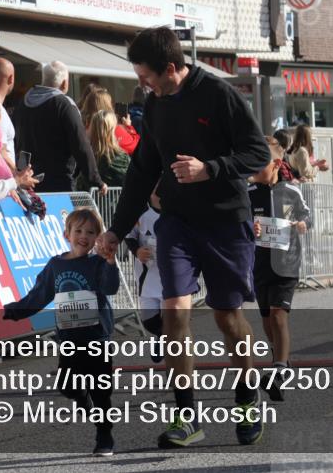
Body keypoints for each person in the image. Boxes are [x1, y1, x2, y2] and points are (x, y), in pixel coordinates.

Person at [98, 27, 271, 448]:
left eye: (146, 76)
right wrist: (117, 229)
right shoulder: (155, 104)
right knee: (173, 313)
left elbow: (259, 154)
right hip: (176, 221)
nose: (143, 85)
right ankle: (187, 416)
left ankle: (247, 399)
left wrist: (209, 169)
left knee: (227, 317)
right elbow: (142, 170)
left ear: (172, 68)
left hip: (225, 221)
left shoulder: (220, 95)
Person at [4, 207, 119, 457]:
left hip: (97, 337)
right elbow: (40, 294)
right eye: (78, 231)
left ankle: (104, 435)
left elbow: (110, 288)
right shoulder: (55, 265)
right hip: (69, 338)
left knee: (101, 390)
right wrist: (15, 310)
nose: (84, 236)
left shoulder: (98, 263)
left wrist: (111, 262)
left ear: (97, 238)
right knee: (67, 385)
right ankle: (83, 399)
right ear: (67, 234)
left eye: (91, 232)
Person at [248, 135, 312, 402]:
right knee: (267, 320)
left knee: (278, 316)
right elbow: (241, 222)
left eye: (259, 164)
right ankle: (280, 358)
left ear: (275, 164)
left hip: (286, 263)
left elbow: (307, 214)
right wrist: (251, 228)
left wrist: (303, 224)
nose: (253, 169)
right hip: (260, 264)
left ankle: (279, 369)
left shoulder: (291, 191)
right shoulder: (249, 193)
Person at [13, 61, 106, 194]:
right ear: (64, 83)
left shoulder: (22, 104)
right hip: (59, 184)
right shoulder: (64, 105)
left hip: (27, 182)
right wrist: (96, 180)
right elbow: (81, 144)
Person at [126, 189, 166, 362]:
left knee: (174, 321)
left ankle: (177, 366)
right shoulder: (142, 213)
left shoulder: (179, 211)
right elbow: (130, 237)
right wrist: (137, 251)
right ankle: (161, 336)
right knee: (149, 321)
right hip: (147, 278)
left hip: (172, 279)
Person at [78, 110, 129, 191]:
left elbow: (80, 186)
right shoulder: (123, 159)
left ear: (92, 129)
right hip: (117, 198)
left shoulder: (87, 157)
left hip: (90, 199)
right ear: (112, 130)